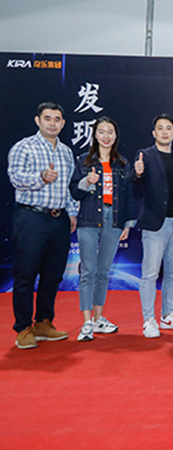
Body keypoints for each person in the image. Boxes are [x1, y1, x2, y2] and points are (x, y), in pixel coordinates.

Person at [8, 102, 77, 349]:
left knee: (53, 275)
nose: (52, 123)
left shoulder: (66, 152)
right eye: (48, 118)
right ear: (38, 121)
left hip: (59, 220)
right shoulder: (24, 147)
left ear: (63, 123)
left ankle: (43, 323)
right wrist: (41, 177)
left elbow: (68, 187)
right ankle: (23, 328)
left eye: (57, 119)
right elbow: (15, 177)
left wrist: (72, 212)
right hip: (31, 218)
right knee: (25, 275)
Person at [69, 117, 136, 342]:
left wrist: (128, 224)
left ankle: (98, 319)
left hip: (114, 219)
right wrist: (87, 182)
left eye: (110, 132)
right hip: (89, 219)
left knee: (103, 271)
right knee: (88, 270)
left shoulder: (122, 164)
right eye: (101, 131)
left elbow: (128, 197)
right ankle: (87, 322)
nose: (106, 136)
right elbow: (74, 191)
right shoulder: (83, 161)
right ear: (95, 135)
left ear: (115, 136)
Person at [132, 113, 173, 338]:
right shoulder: (145, 156)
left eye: (168, 128)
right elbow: (136, 186)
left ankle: (167, 315)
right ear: (154, 133)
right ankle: (148, 319)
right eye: (160, 128)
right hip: (155, 224)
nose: (165, 132)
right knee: (150, 273)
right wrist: (137, 174)